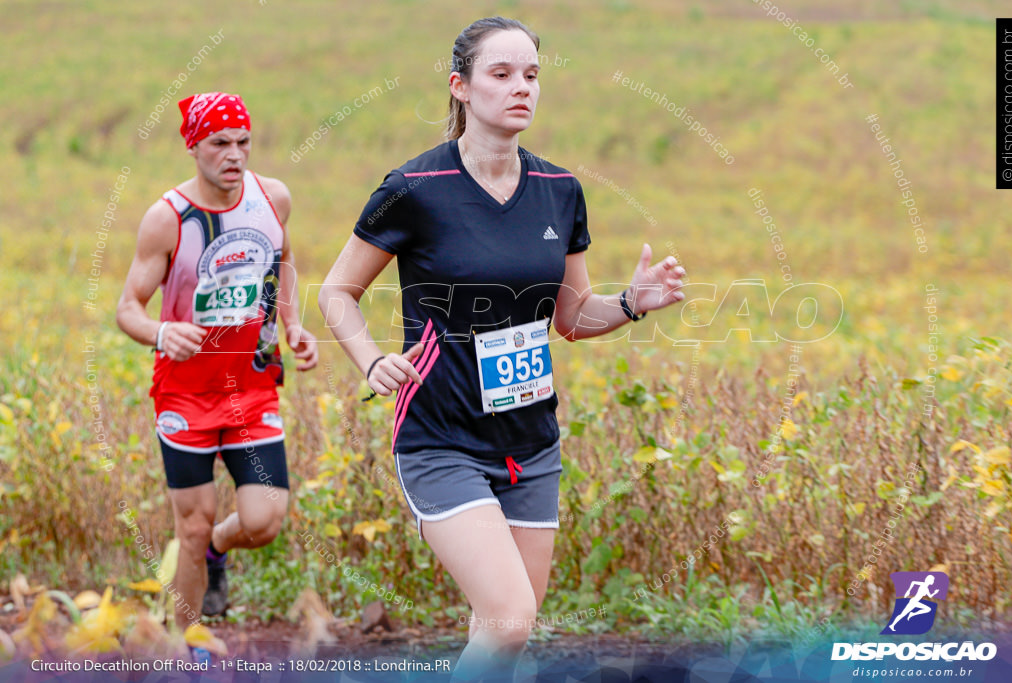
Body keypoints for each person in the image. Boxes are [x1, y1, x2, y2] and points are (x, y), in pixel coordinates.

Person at [319, 17, 685, 681]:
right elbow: (337, 291)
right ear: (460, 87)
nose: (522, 88)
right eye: (502, 74)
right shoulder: (414, 188)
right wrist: (372, 359)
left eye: (532, 75)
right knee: (511, 617)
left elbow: (571, 318)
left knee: (501, 634)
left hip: (531, 443)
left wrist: (632, 303)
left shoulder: (559, 189)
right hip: (440, 440)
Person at [116, 92, 318, 645]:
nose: (235, 154)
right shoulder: (168, 219)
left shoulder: (272, 198)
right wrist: (161, 332)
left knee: (263, 520)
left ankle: (216, 551)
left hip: (251, 390)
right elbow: (126, 308)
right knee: (193, 520)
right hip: (184, 396)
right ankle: (188, 646)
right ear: (194, 147)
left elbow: (283, 261)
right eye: (220, 144)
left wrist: (293, 326)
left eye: (243, 142)